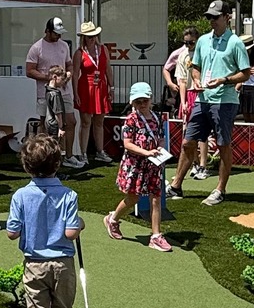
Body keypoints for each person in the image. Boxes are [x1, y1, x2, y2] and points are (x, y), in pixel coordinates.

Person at [6, 132, 83, 308]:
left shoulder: (20, 196)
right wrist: (80, 224)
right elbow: (71, 232)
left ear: (27, 166)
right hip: (63, 264)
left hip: (35, 264)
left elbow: (12, 232)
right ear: (58, 163)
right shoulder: (69, 195)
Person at [169, 1, 249, 207]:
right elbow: (195, 66)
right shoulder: (203, 41)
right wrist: (195, 79)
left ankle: (220, 189)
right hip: (203, 99)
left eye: (215, 16)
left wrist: (225, 80)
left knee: (223, 145)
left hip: (225, 101)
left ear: (226, 17)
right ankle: (176, 185)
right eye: (209, 17)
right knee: (188, 142)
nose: (211, 20)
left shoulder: (236, 43)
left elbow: (246, 73)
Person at [103, 82, 170, 252]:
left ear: (150, 100)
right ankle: (113, 219)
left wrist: (160, 149)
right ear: (132, 102)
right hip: (135, 165)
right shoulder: (131, 120)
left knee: (156, 198)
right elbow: (127, 144)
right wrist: (146, 153)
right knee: (133, 197)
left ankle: (156, 236)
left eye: (145, 101)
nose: (142, 104)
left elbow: (161, 138)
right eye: (138, 101)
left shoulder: (156, 118)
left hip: (154, 164)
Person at [25, 16, 76, 166]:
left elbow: (69, 65)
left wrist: (68, 75)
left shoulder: (64, 46)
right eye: (56, 33)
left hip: (64, 91)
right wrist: (48, 78)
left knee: (71, 122)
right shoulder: (37, 47)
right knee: (45, 124)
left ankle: (68, 155)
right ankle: (43, 156)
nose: (59, 36)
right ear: (47, 31)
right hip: (45, 93)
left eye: (60, 33)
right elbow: (29, 71)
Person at [163, 26, 209, 178]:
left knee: (203, 133)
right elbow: (181, 80)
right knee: (189, 131)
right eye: (186, 42)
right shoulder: (182, 55)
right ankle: (195, 164)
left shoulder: (204, 53)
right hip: (189, 94)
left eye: (192, 42)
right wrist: (183, 102)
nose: (188, 45)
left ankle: (203, 165)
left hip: (203, 93)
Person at [73, 21, 113, 168]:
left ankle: (100, 151)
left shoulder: (103, 49)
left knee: (99, 121)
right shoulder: (79, 53)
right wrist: (75, 93)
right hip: (86, 88)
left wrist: (111, 87)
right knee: (85, 122)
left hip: (101, 87)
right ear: (83, 37)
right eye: (88, 36)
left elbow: (108, 69)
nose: (91, 39)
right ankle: (83, 153)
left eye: (93, 36)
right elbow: (75, 74)